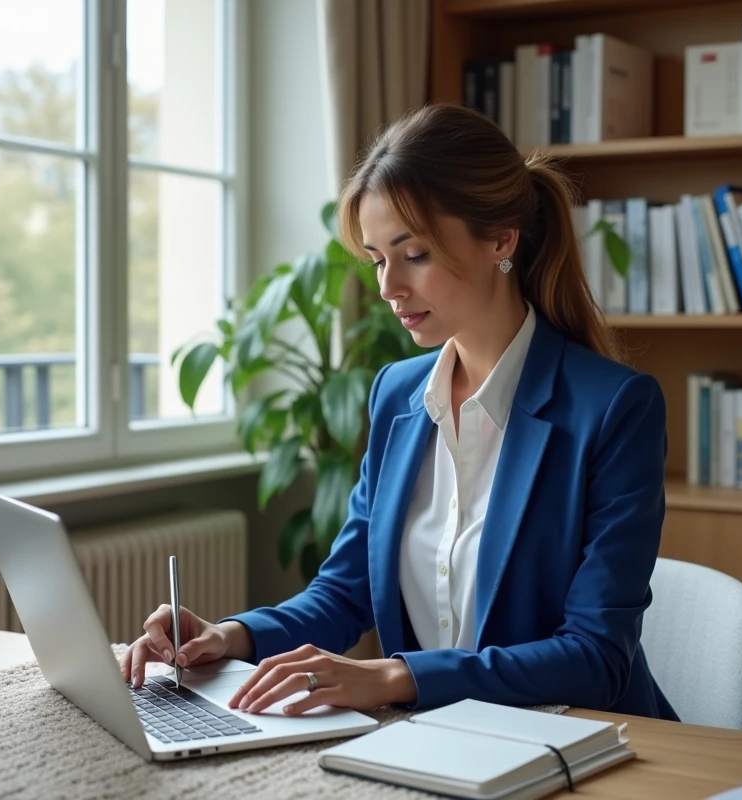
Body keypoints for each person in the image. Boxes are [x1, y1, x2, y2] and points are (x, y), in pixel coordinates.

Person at [121, 102, 678, 722]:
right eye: (378, 259)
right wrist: (227, 638)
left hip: (587, 743)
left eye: (413, 255)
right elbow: (344, 590)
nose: (388, 288)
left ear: (500, 239)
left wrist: (393, 675)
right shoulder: (397, 393)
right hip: (436, 739)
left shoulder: (615, 409)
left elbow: (596, 660)